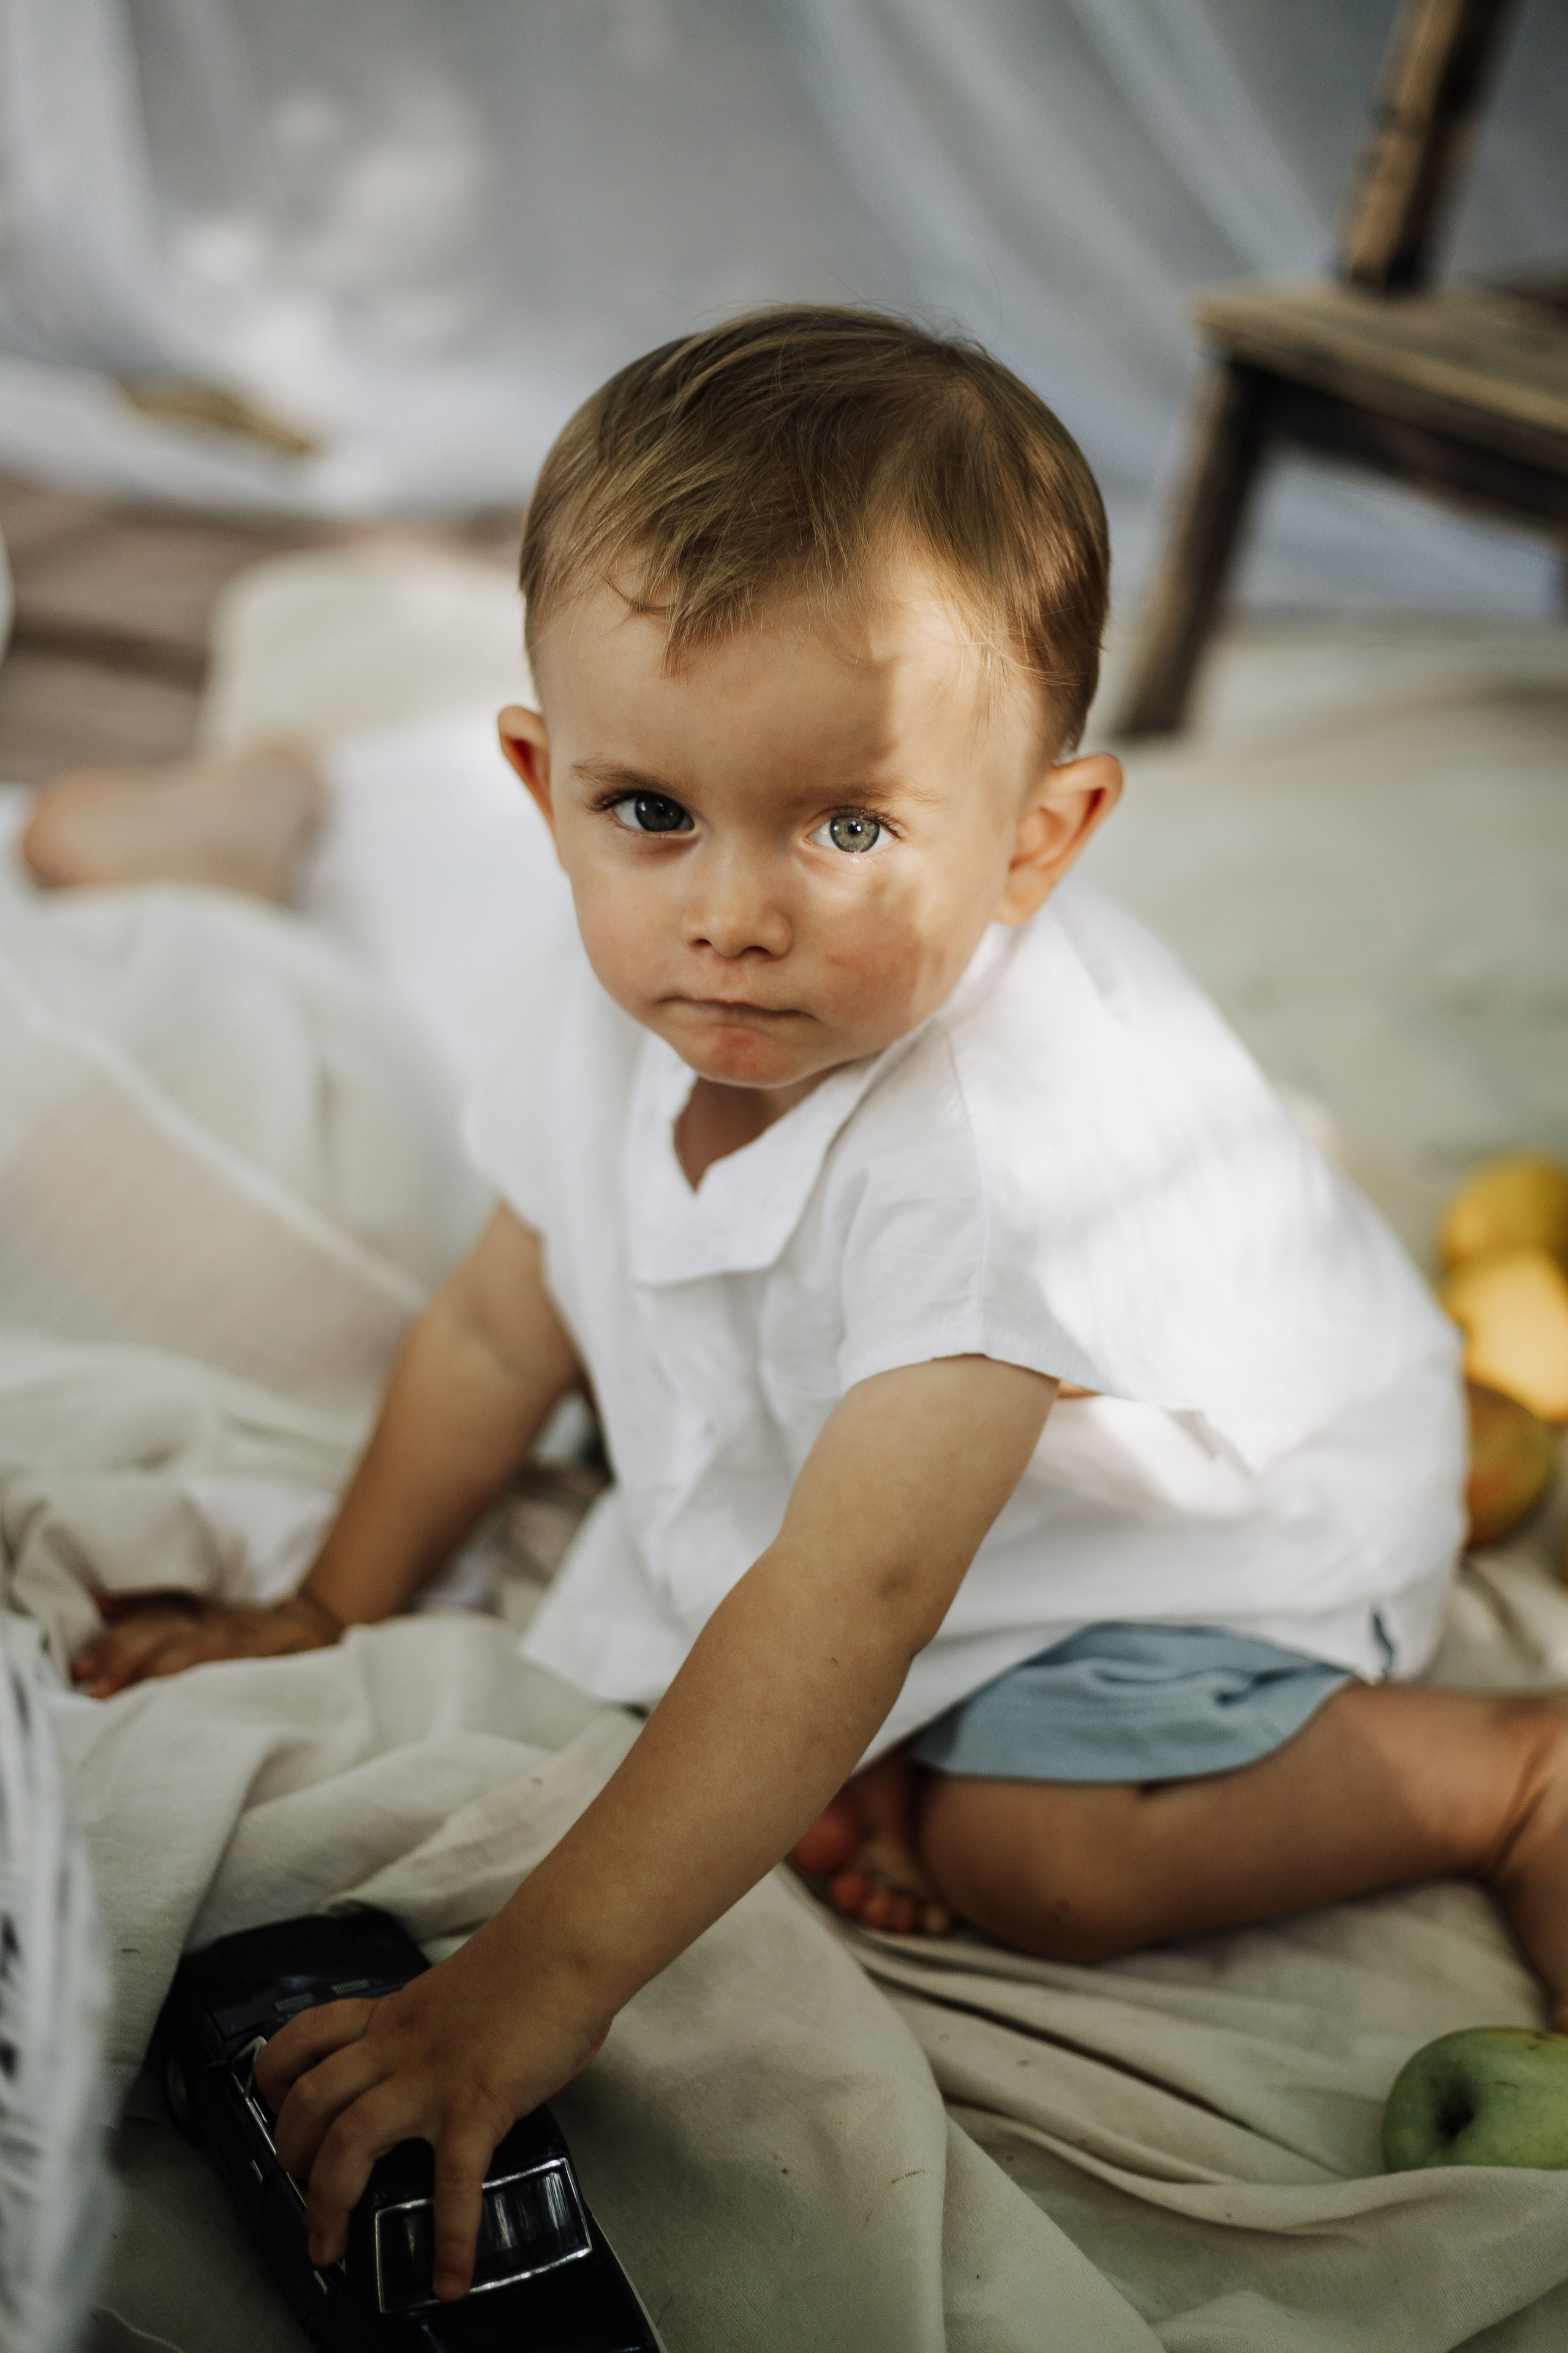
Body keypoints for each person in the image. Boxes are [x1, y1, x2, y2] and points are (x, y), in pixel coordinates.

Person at [63, 309, 1566, 2306]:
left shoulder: (1010, 1154)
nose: (733, 910)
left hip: (1185, 1536)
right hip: (902, 1476)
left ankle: (1518, 1763)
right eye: (652, 810)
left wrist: (533, 1986)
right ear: (545, 780)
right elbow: (510, 1323)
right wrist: (323, 1604)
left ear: (1040, 836)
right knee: (767, 1643)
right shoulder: (660, 978)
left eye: (849, 825)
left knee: (1040, 1862)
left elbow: (847, 1605)